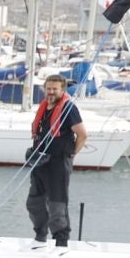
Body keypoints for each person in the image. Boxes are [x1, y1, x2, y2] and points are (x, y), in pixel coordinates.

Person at [26, 73, 86, 246]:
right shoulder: (44, 107)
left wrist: (70, 155)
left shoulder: (69, 109)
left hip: (58, 163)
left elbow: (82, 135)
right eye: (49, 89)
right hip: (40, 162)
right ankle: (40, 236)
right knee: (34, 202)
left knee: (56, 204)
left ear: (62, 90)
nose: (51, 92)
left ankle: (61, 240)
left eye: (55, 89)